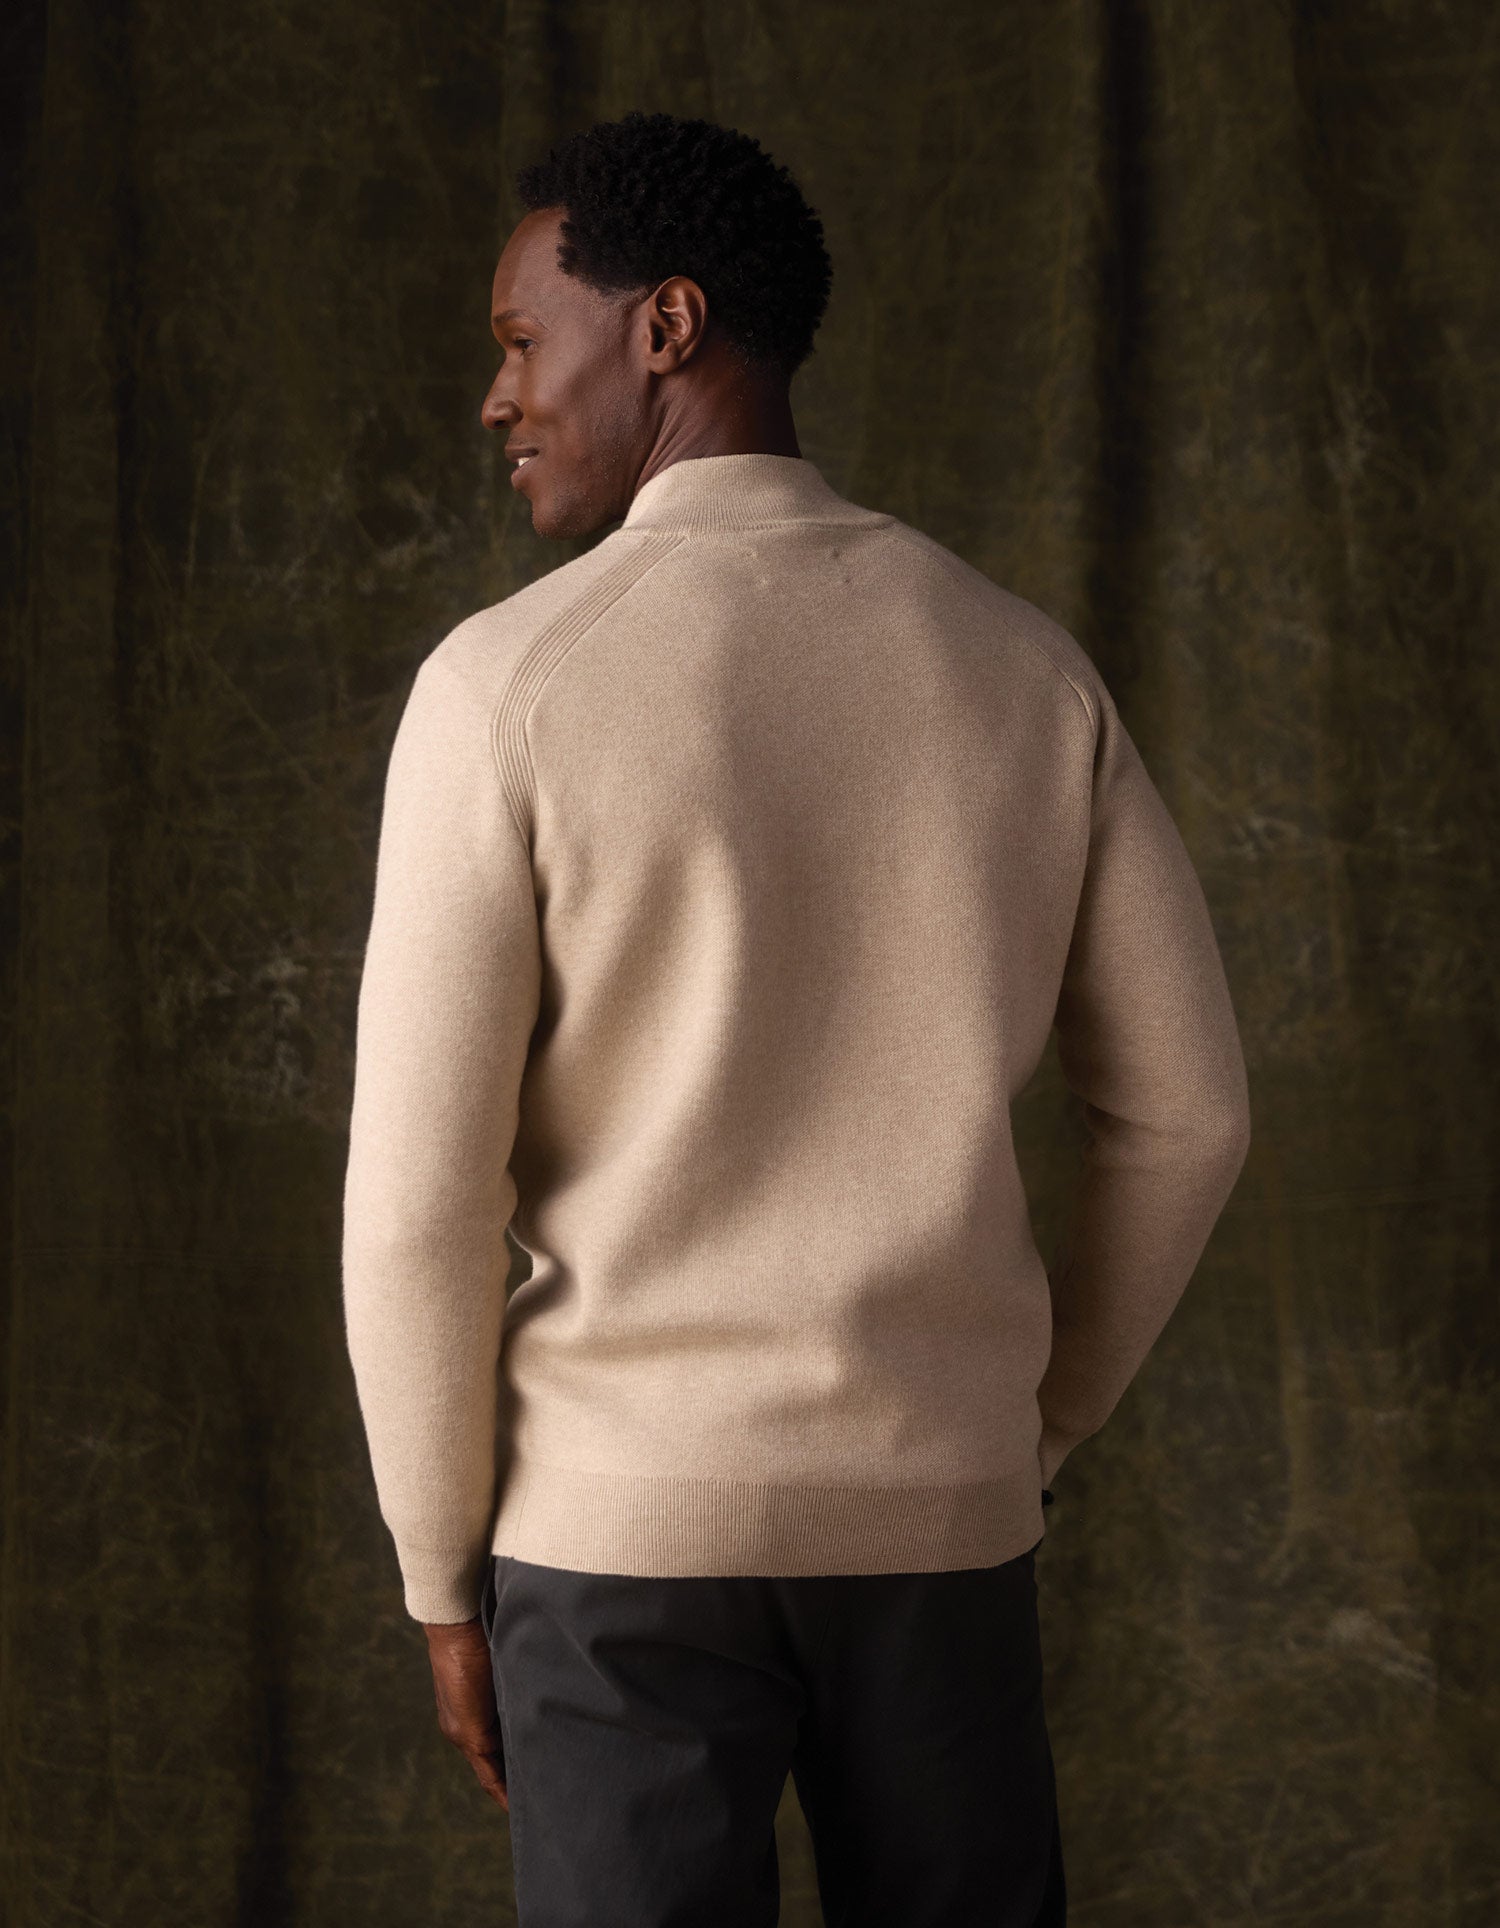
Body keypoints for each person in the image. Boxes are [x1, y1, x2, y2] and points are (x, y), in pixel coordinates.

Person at [342, 108, 1251, 1927]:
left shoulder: (505, 689)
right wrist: (1028, 1428)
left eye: (522, 338)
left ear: (666, 325)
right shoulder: (1023, 670)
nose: (497, 395)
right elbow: (1191, 1117)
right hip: (942, 1517)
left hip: (617, 1546)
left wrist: (442, 1574)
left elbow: (422, 1202)